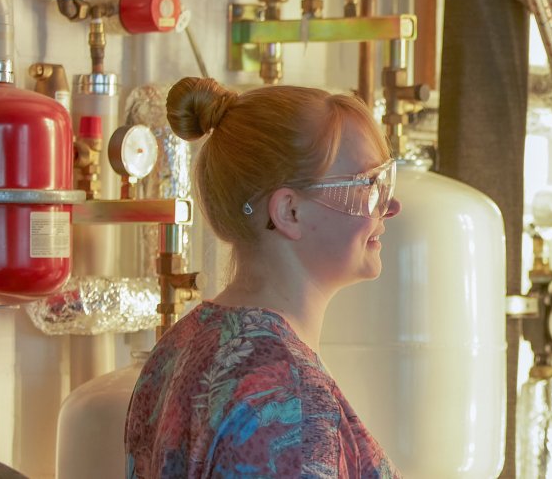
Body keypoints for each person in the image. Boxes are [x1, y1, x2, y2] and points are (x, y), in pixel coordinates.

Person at [126, 78, 403, 478]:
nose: (391, 205)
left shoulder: (178, 347)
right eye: (368, 185)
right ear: (289, 211)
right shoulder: (290, 402)